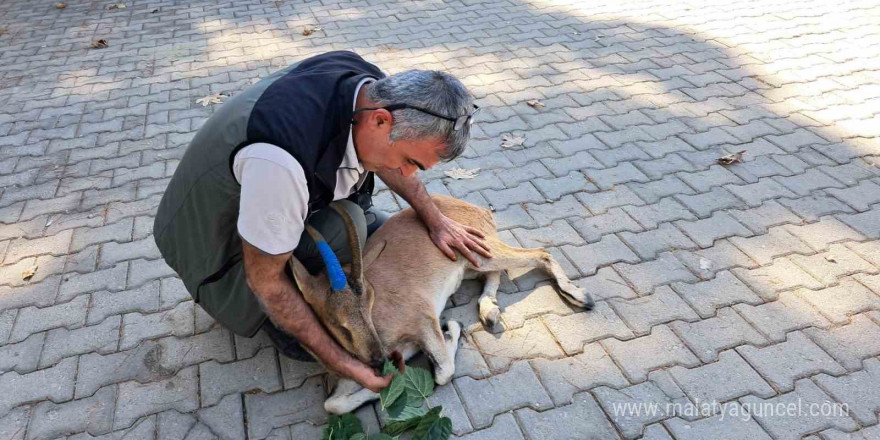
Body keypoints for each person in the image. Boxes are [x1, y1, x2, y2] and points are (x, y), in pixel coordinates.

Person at [153, 51, 490, 392]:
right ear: (380, 121)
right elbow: (265, 281)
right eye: (409, 161)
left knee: (378, 236)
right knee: (348, 234)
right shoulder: (281, 162)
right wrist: (342, 362)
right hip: (212, 251)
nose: (406, 174)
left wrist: (435, 220)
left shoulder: (368, 88)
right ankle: (264, 318)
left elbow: (390, 159)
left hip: (267, 196)